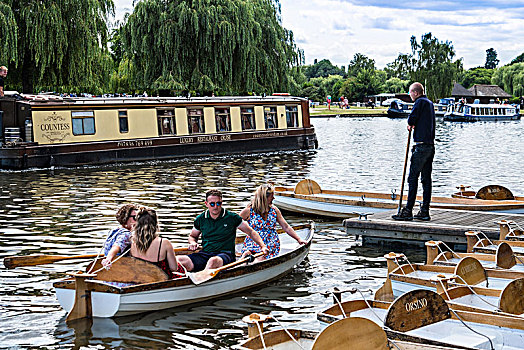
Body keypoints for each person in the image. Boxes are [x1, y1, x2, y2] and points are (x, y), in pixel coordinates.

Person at [177, 189, 269, 272]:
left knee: (213, 261)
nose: (216, 206)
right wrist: (192, 243)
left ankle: (200, 282)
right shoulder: (201, 219)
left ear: (221, 203)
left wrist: (263, 246)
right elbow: (193, 236)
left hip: (226, 255)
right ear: (206, 204)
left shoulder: (232, 218)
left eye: (218, 203)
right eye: (212, 204)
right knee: (179, 260)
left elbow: (251, 232)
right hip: (205, 253)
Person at [392, 82, 435, 221]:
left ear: (415, 92)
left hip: (421, 146)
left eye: (410, 92)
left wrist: (410, 124)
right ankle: (424, 211)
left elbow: (412, 119)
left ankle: (408, 210)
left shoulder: (419, 102)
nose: (410, 95)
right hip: (430, 146)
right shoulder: (429, 103)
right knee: (426, 179)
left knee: (412, 178)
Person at [240, 184, 307, 262]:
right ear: (264, 198)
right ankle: (245, 258)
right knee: (249, 253)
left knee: (261, 257)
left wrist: (298, 239)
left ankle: (252, 260)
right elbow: (234, 223)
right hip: (253, 241)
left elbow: (286, 227)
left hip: (270, 242)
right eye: (272, 196)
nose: (274, 198)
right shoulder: (248, 210)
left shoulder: (274, 210)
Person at [126, 207, 185, 278]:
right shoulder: (164, 243)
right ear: (155, 224)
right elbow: (174, 268)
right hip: (159, 280)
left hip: (140, 278)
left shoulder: (132, 241)